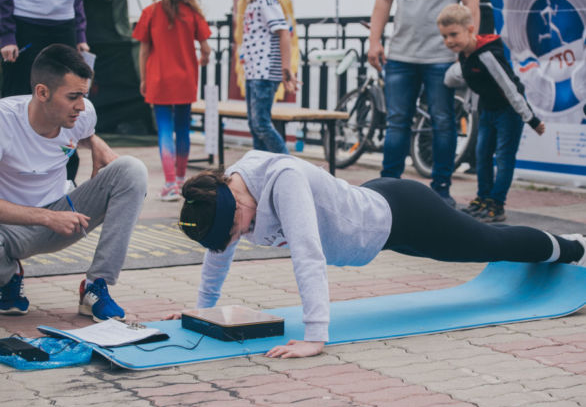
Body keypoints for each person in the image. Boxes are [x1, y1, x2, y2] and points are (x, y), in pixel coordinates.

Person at [173, 150, 586, 358]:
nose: (239, 237)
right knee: (486, 241)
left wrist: (316, 335)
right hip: (375, 216)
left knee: (487, 243)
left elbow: (308, 255)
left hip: (406, 215)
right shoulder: (230, 194)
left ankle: (572, 246)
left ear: (232, 200)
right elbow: (218, 254)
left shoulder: (282, 181)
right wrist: (202, 311)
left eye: (236, 228)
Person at [0, 44, 148, 321]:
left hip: (66, 213)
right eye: (72, 97)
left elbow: (80, 132)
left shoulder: (83, 114)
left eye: (83, 94)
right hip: (10, 228)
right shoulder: (4, 121)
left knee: (132, 169)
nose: (81, 105)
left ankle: (96, 287)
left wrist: (95, 142)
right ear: (42, 92)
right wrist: (46, 218)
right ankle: (7, 276)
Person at [367, 0, 481, 206]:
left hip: (442, 54)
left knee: (443, 121)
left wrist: (469, 48)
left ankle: (441, 191)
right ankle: (387, 190)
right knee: (396, 122)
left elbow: (471, 3)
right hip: (400, 52)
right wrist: (374, 40)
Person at [438, 4, 546, 222]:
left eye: (454, 35)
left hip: (509, 111)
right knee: (482, 155)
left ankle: (497, 205)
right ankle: (483, 198)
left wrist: (531, 119)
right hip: (487, 110)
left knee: (504, 158)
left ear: (470, 30)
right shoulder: (464, 57)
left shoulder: (488, 55)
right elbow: (459, 81)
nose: (449, 41)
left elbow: (510, 88)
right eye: (445, 36)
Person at [0, 0, 90, 182]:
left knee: (68, 94)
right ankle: (13, 169)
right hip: (26, 21)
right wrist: (7, 35)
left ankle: (65, 170)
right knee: (20, 95)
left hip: (64, 23)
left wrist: (80, 34)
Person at [133, 0, 211, 202]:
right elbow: (206, 48)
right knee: (183, 129)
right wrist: (202, 58)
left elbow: (144, 51)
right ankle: (180, 179)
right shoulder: (192, 12)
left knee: (165, 130)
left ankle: (169, 185)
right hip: (186, 78)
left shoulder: (150, 13)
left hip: (159, 79)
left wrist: (144, 79)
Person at [217, 0, 299, 154]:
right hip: (254, 72)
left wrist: (286, 70)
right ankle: (261, 168)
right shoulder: (254, 3)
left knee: (261, 124)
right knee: (255, 125)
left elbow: (283, 32)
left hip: (265, 72)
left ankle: (288, 163)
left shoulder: (266, 0)